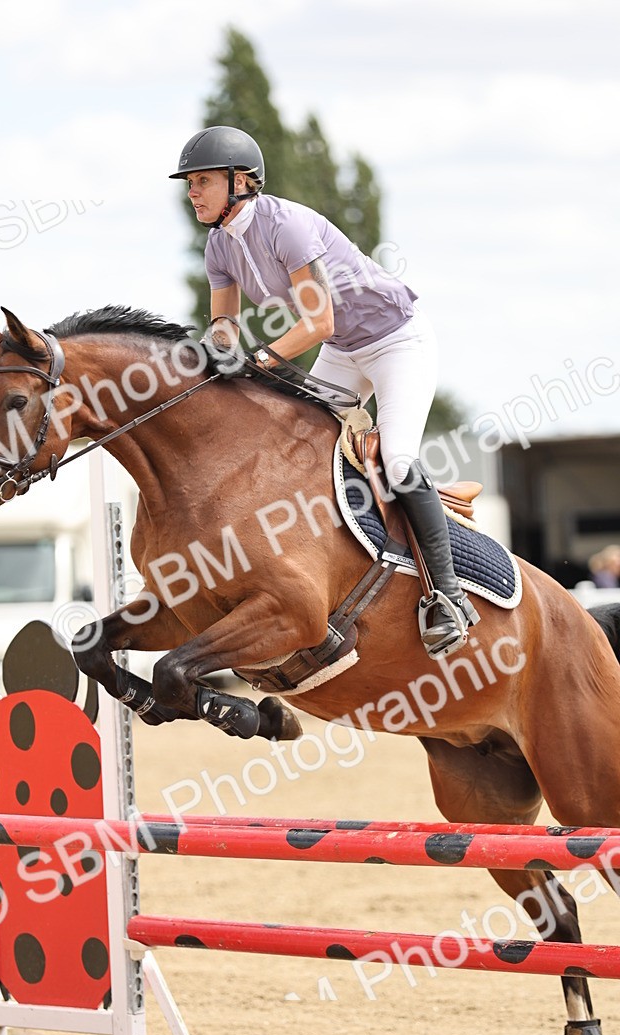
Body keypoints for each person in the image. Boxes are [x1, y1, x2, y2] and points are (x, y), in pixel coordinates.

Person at [170, 125, 479, 658]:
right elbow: (223, 321)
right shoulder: (219, 244)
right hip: (342, 348)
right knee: (295, 452)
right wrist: (218, 347)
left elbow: (316, 320)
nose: (192, 192)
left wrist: (261, 360)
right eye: (190, 183)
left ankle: (447, 597)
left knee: (399, 462)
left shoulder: (285, 225)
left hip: (395, 340)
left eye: (201, 181)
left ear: (240, 181)